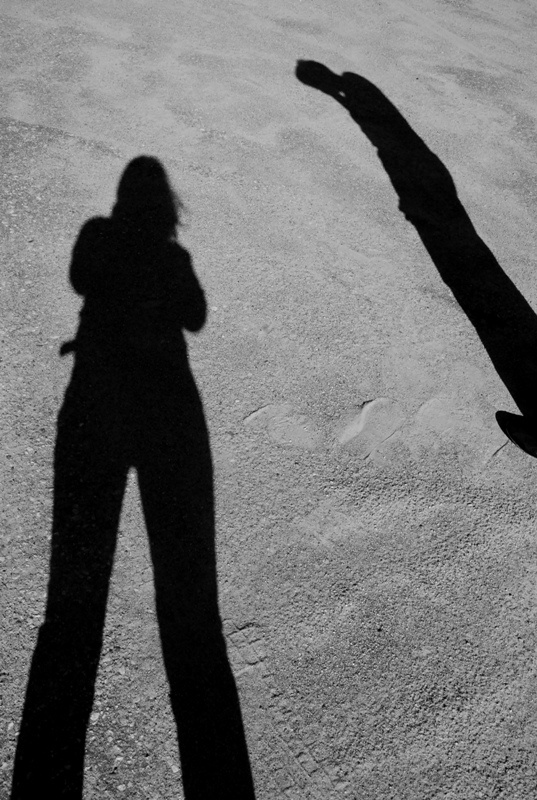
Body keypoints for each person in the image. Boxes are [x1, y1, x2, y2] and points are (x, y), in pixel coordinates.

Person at [12, 157, 256, 799]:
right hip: (168, 413)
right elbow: (196, 316)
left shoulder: (97, 237)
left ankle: (47, 764)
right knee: (186, 590)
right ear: (168, 207)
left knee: (75, 586)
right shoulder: (173, 259)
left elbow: (79, 277)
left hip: (95, 406)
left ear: (122, 198)